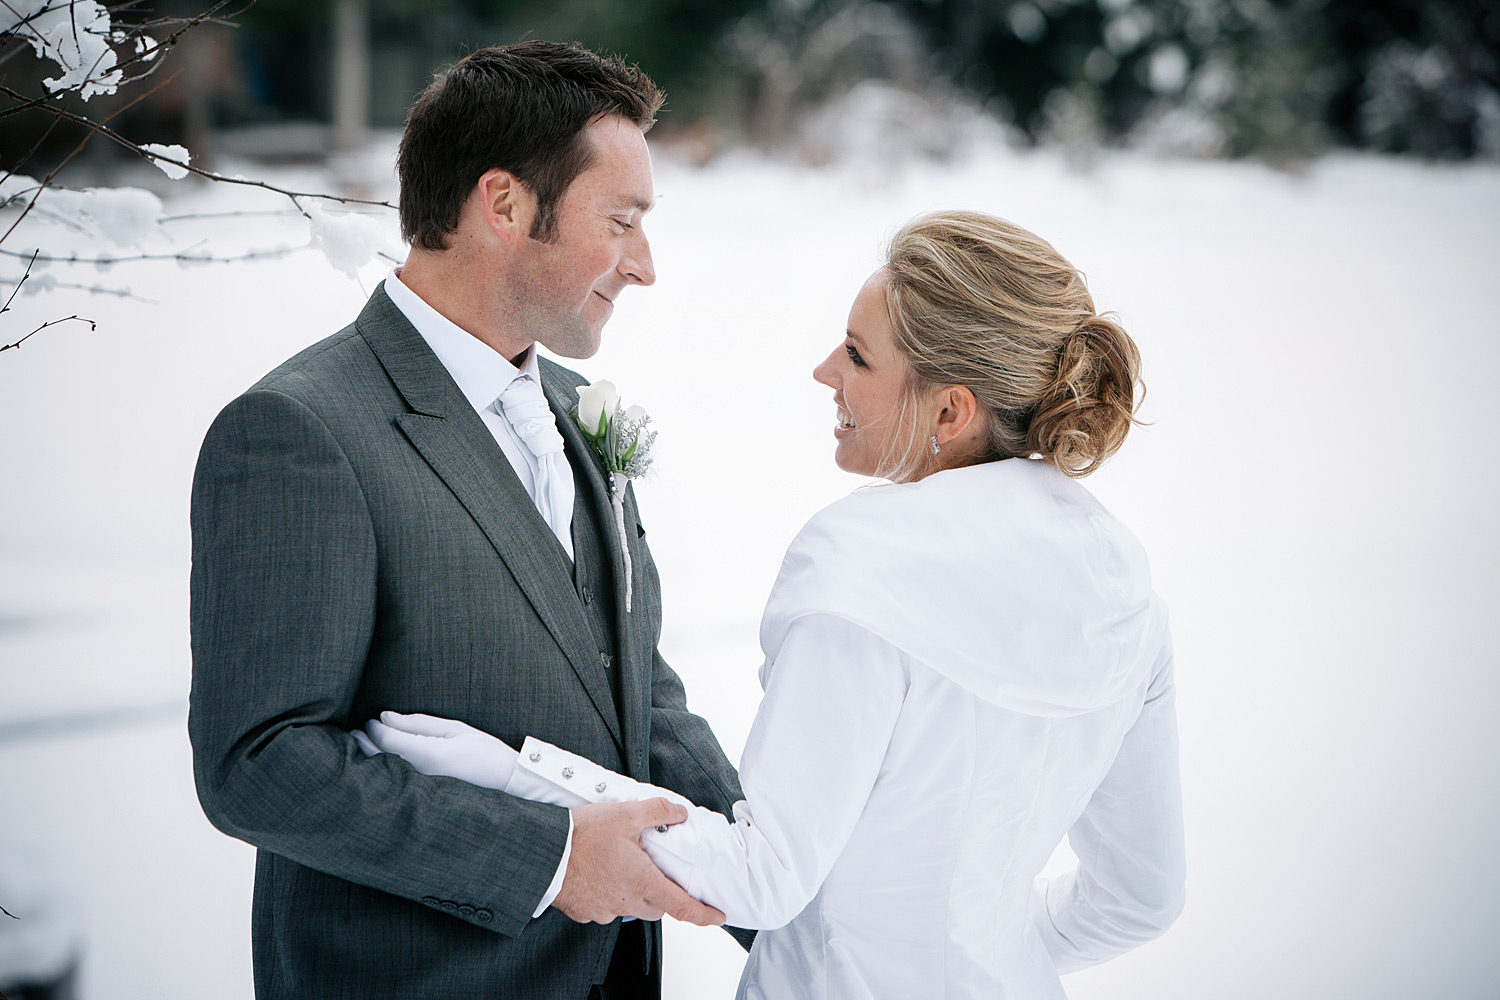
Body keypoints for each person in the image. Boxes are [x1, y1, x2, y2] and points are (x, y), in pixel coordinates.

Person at [362, 211, 1188, 998]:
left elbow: (762, 877)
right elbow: (1140, 899)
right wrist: (982, 957)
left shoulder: (872, 569)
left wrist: (509, 773)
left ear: (951, 410)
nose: (826, 372)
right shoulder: (1128, 601)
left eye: (859, 357)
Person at [187, 41, 749, 1000]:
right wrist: (552, 859)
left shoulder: (575, 412)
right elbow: (259, 763)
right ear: (504, 204)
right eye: (621, 222)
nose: (644, 266)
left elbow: (637, 700)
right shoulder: (302, 430)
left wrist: (778, 894)